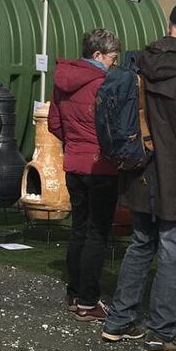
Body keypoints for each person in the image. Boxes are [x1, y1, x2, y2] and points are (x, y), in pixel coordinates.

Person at [101, 4, 176, 351]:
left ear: (169, 27)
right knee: (172, 252)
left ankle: (119, 321)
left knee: (141, 243)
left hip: (139, 169)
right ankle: (162, 334)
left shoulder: (138, 63)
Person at [48, 29, 122, 321]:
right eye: (112, 58)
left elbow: (55, 122)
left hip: (74, 162)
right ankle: (88, 300)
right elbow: (114, 126)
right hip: (100, 165)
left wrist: (73, 143)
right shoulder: (103, 83)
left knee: (79, 229)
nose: (113, 64)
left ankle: (74, 291)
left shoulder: (62, 80)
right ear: (98, 55)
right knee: (97, 234)